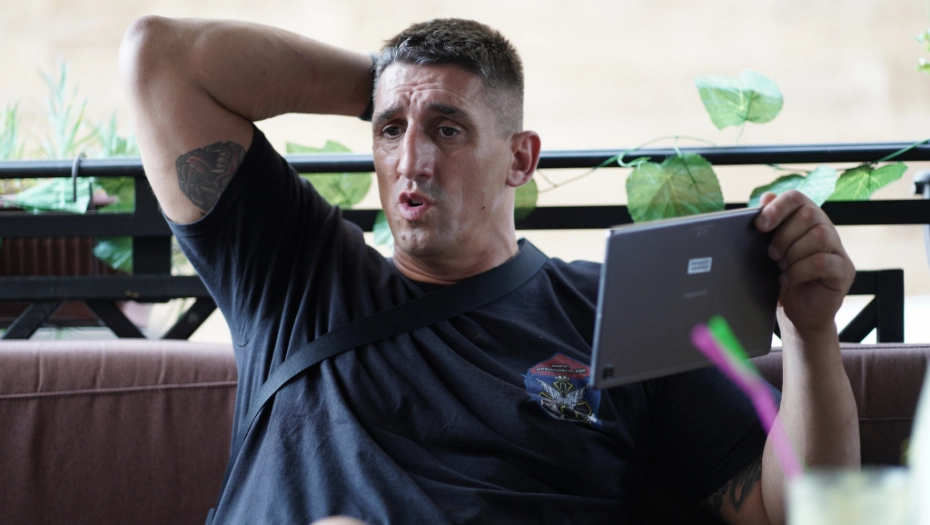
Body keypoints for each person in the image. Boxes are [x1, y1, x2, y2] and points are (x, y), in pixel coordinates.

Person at [119, 16, 860, 525]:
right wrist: (390, 84)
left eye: (447, 129)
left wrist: (809, 330)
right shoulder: (293, 276)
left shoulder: (616, 309)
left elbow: (795, 511)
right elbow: (162, 57)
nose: (411, 161)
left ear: (520, 158)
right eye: (389, 132)